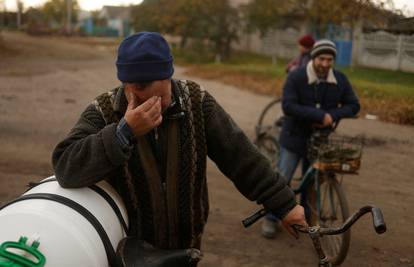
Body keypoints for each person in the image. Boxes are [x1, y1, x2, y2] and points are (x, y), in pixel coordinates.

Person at [52, 32, 307, 261]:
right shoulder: (105, 110)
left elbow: (240, 156)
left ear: (169, 75)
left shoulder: (197, 102)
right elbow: (66, 167)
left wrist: (284, 204)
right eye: (145, 99)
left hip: (186, 247)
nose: (159, 106)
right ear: (129, 86)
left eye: (164, 96)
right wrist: (124, 132)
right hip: (129, 252)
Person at [261, 39, 360, 238]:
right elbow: (288, 106)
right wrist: (319, 116)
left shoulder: (340, 79)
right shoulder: (296, 76)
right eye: (321, 58)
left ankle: (304, 220)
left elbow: (354, 105)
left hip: (320, 141)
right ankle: (272, 218)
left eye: (329, 59)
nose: (325, 63)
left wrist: (332, 115)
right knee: (283, 178)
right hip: (294, 137)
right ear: (314, 57)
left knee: (311, 184)